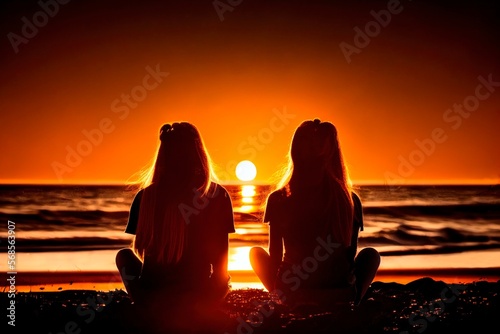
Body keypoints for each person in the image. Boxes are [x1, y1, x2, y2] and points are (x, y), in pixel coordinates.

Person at [115, 122, 235, 329]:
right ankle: (184, 305)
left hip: (153, 292)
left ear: (163, 155)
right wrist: (216, 290)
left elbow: (144, 253)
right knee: (222, 280)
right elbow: (221, 263)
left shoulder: (146, 197)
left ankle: (149, 304)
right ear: (199, 153)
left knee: (124, 256)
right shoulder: (217, 195)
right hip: (197, 292)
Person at [249, 119, 380, 307]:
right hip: (338, 291)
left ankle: (283, 298)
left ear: (295, 153)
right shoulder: (349, 200)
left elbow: (275, 255)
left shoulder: (279, 198)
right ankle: (355, 302)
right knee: (370, 255)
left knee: (255, 254)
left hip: (293, 290)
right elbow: (349, 255)